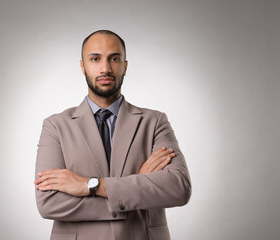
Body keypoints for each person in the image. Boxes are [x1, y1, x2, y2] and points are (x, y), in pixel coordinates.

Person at [34, 30, 191, 240]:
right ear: (82, 66)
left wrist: (89, 185)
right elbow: (49, 203)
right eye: (95, 58)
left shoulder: (154, 122)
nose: (105, 68)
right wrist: (137, 186)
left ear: (125, 66)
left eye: (114, 59)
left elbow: (178, 187)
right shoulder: (55, 126)